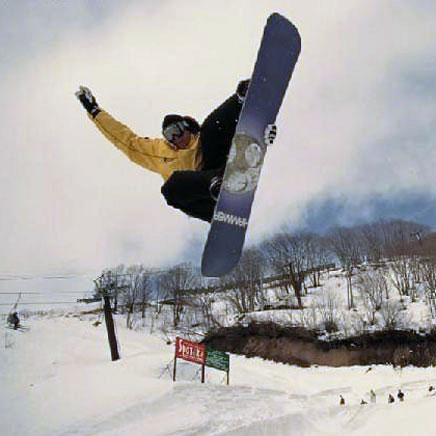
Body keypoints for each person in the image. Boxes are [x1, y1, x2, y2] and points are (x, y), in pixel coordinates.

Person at [75, 81, 277, 222]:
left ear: (187, 127)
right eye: (169, 135)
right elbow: (125, 139)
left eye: (177, 130)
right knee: (170, 188)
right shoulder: (159, 152)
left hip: (224, 170)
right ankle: (217, 197)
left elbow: (229, 128)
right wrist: (94, 111)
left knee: (212, 126)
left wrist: (260, 133)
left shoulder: (202, 138)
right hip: (207, 200)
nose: (175, 138)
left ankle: (243, 97)